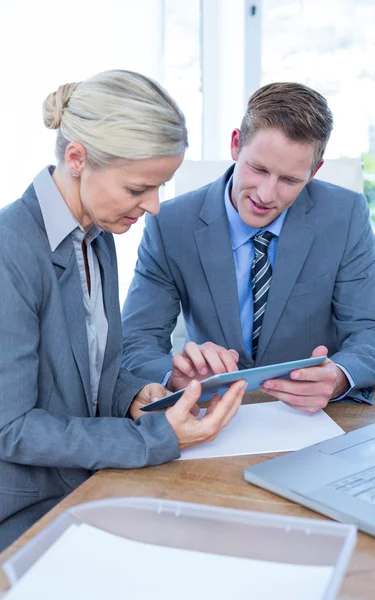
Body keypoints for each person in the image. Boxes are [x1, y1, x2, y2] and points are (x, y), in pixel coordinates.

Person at [0, 70, 247, 551]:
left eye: (159, 187)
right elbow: (11, 428)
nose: (153, 207)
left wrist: (133, 395)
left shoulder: (97, 233)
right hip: (22, 513)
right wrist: (154, 439)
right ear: (77, 159)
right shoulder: (10, 250)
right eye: (138, 189)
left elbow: (84, 375)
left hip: (88, 486)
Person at [121, 82, 375, 412]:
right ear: (236, 144)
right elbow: (135, 342)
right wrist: (172, 376)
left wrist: (338, 377)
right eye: (259, 169)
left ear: (314, 172)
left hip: (311, 418)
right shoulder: (168, 224)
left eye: (289, 180)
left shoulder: (345, 215)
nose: (267, 195)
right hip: (211, 415)